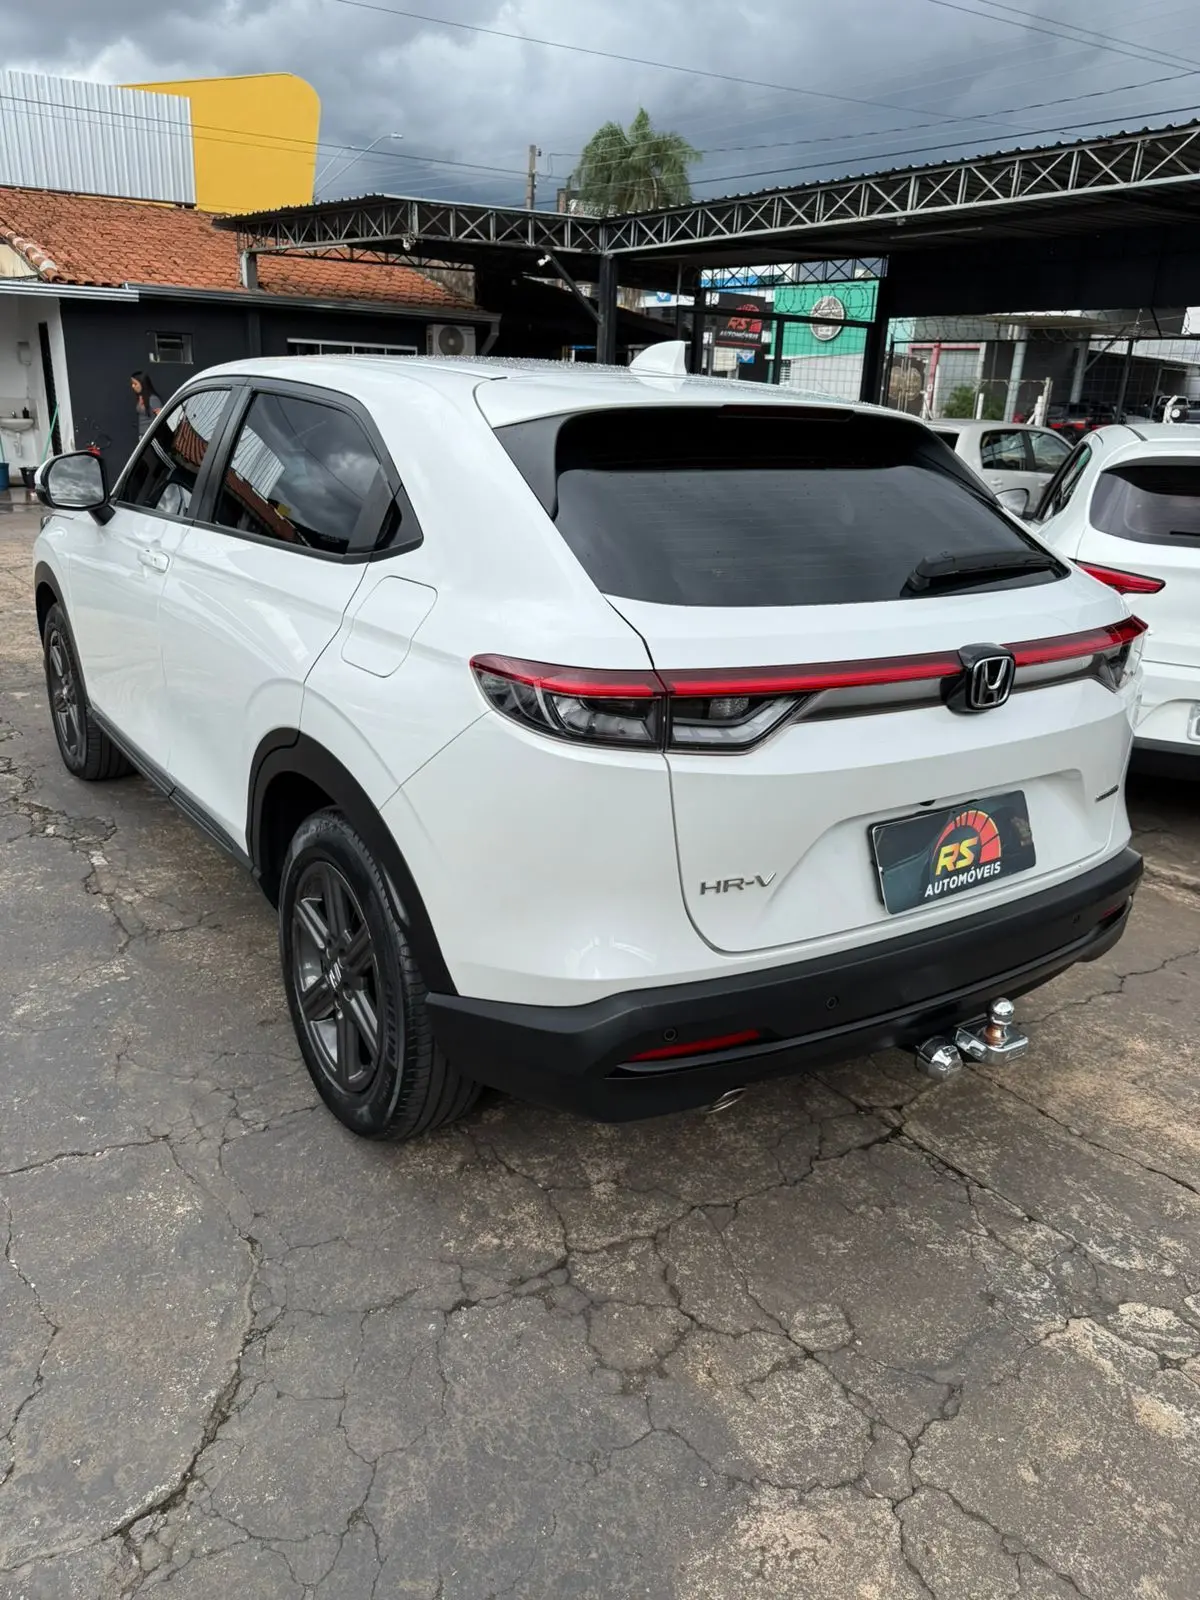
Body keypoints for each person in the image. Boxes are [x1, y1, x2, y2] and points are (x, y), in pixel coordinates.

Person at [131, 371, 163, 437]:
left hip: (152, 436)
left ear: (143, 384)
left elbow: (161, 418)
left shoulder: (153, 399)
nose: (133, 386)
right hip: (143, 435)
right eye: (132, 383)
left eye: (135, 384)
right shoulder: (141, 397)